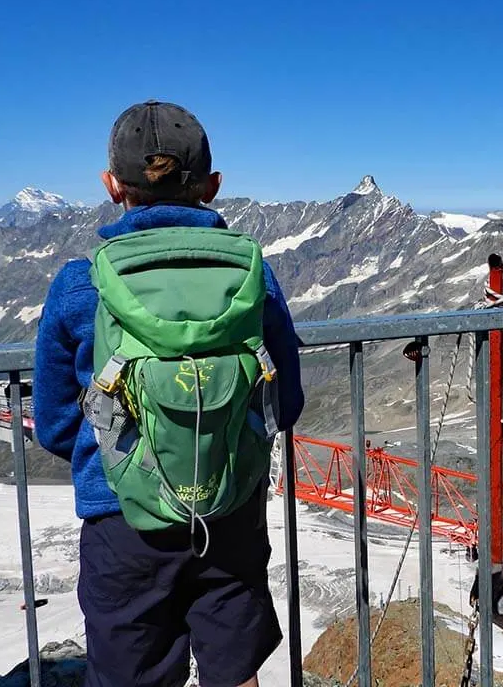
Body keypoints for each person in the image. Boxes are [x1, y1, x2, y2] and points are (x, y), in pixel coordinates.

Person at [34, 99, 305, 687]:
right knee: (234, 670)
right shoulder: (254, 274)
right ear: (212, 185)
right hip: (229, 505)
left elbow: (54, 422)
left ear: (112, 186)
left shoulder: (80, 283)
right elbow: (285, 400)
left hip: (122, 518)